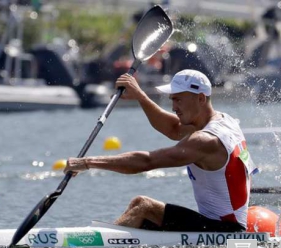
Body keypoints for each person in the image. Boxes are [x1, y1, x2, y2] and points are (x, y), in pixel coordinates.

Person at [64, 69, 257, 232]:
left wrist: (87, 163)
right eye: (172, 100)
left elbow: (147, 161)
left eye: (178, 100)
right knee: (141, 213)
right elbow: (173, 129)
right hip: (226, 224)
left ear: (200, 98)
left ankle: (94, 244)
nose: (174, 107)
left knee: (143, 206)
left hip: (223, 230)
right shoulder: (226, 121)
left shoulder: (205, 141)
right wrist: (140, 95)